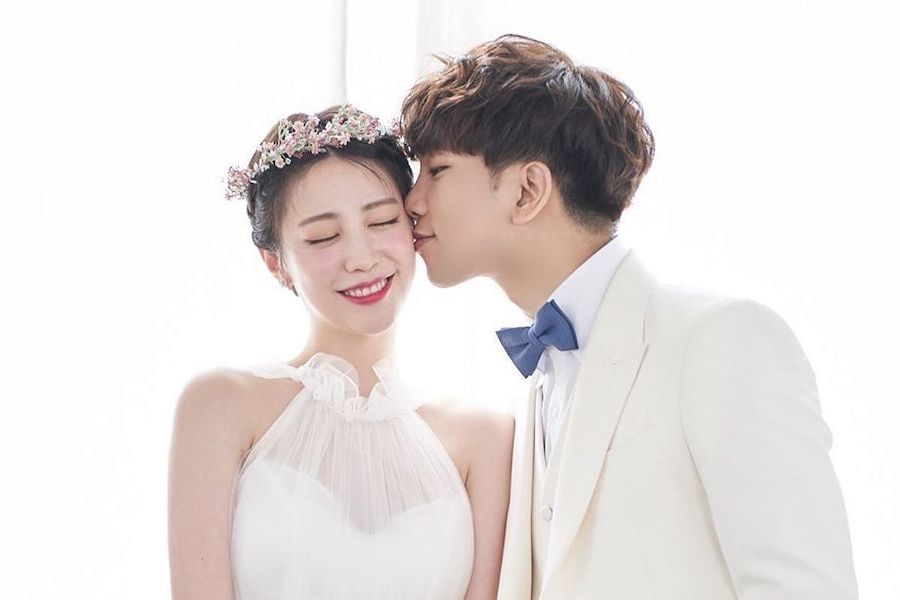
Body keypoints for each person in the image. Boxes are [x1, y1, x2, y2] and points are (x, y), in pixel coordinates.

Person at [400, 35, 858, 599]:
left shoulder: (718, 339)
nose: (412, 201)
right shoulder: (532, 383)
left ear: (527, 191)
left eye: (436, 169)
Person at [167, 105, 513, 600]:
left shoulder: (485, 436)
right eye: (323, 237)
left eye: (383, 221)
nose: (362, 258)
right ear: (275, 263)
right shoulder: (220, 404)